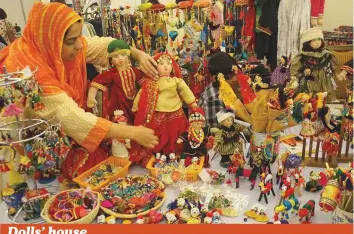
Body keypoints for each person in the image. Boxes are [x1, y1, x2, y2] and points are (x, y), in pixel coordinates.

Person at [0, 2, 159, 181]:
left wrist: (139, 55)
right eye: (70, 41)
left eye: (78, 37)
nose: (78, 46)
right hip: (24, 146)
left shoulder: (55, 45)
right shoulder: (28, 67)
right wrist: (133, 133)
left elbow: (103, 45)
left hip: (60, 133)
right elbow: (70, 117)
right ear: (51, 40)